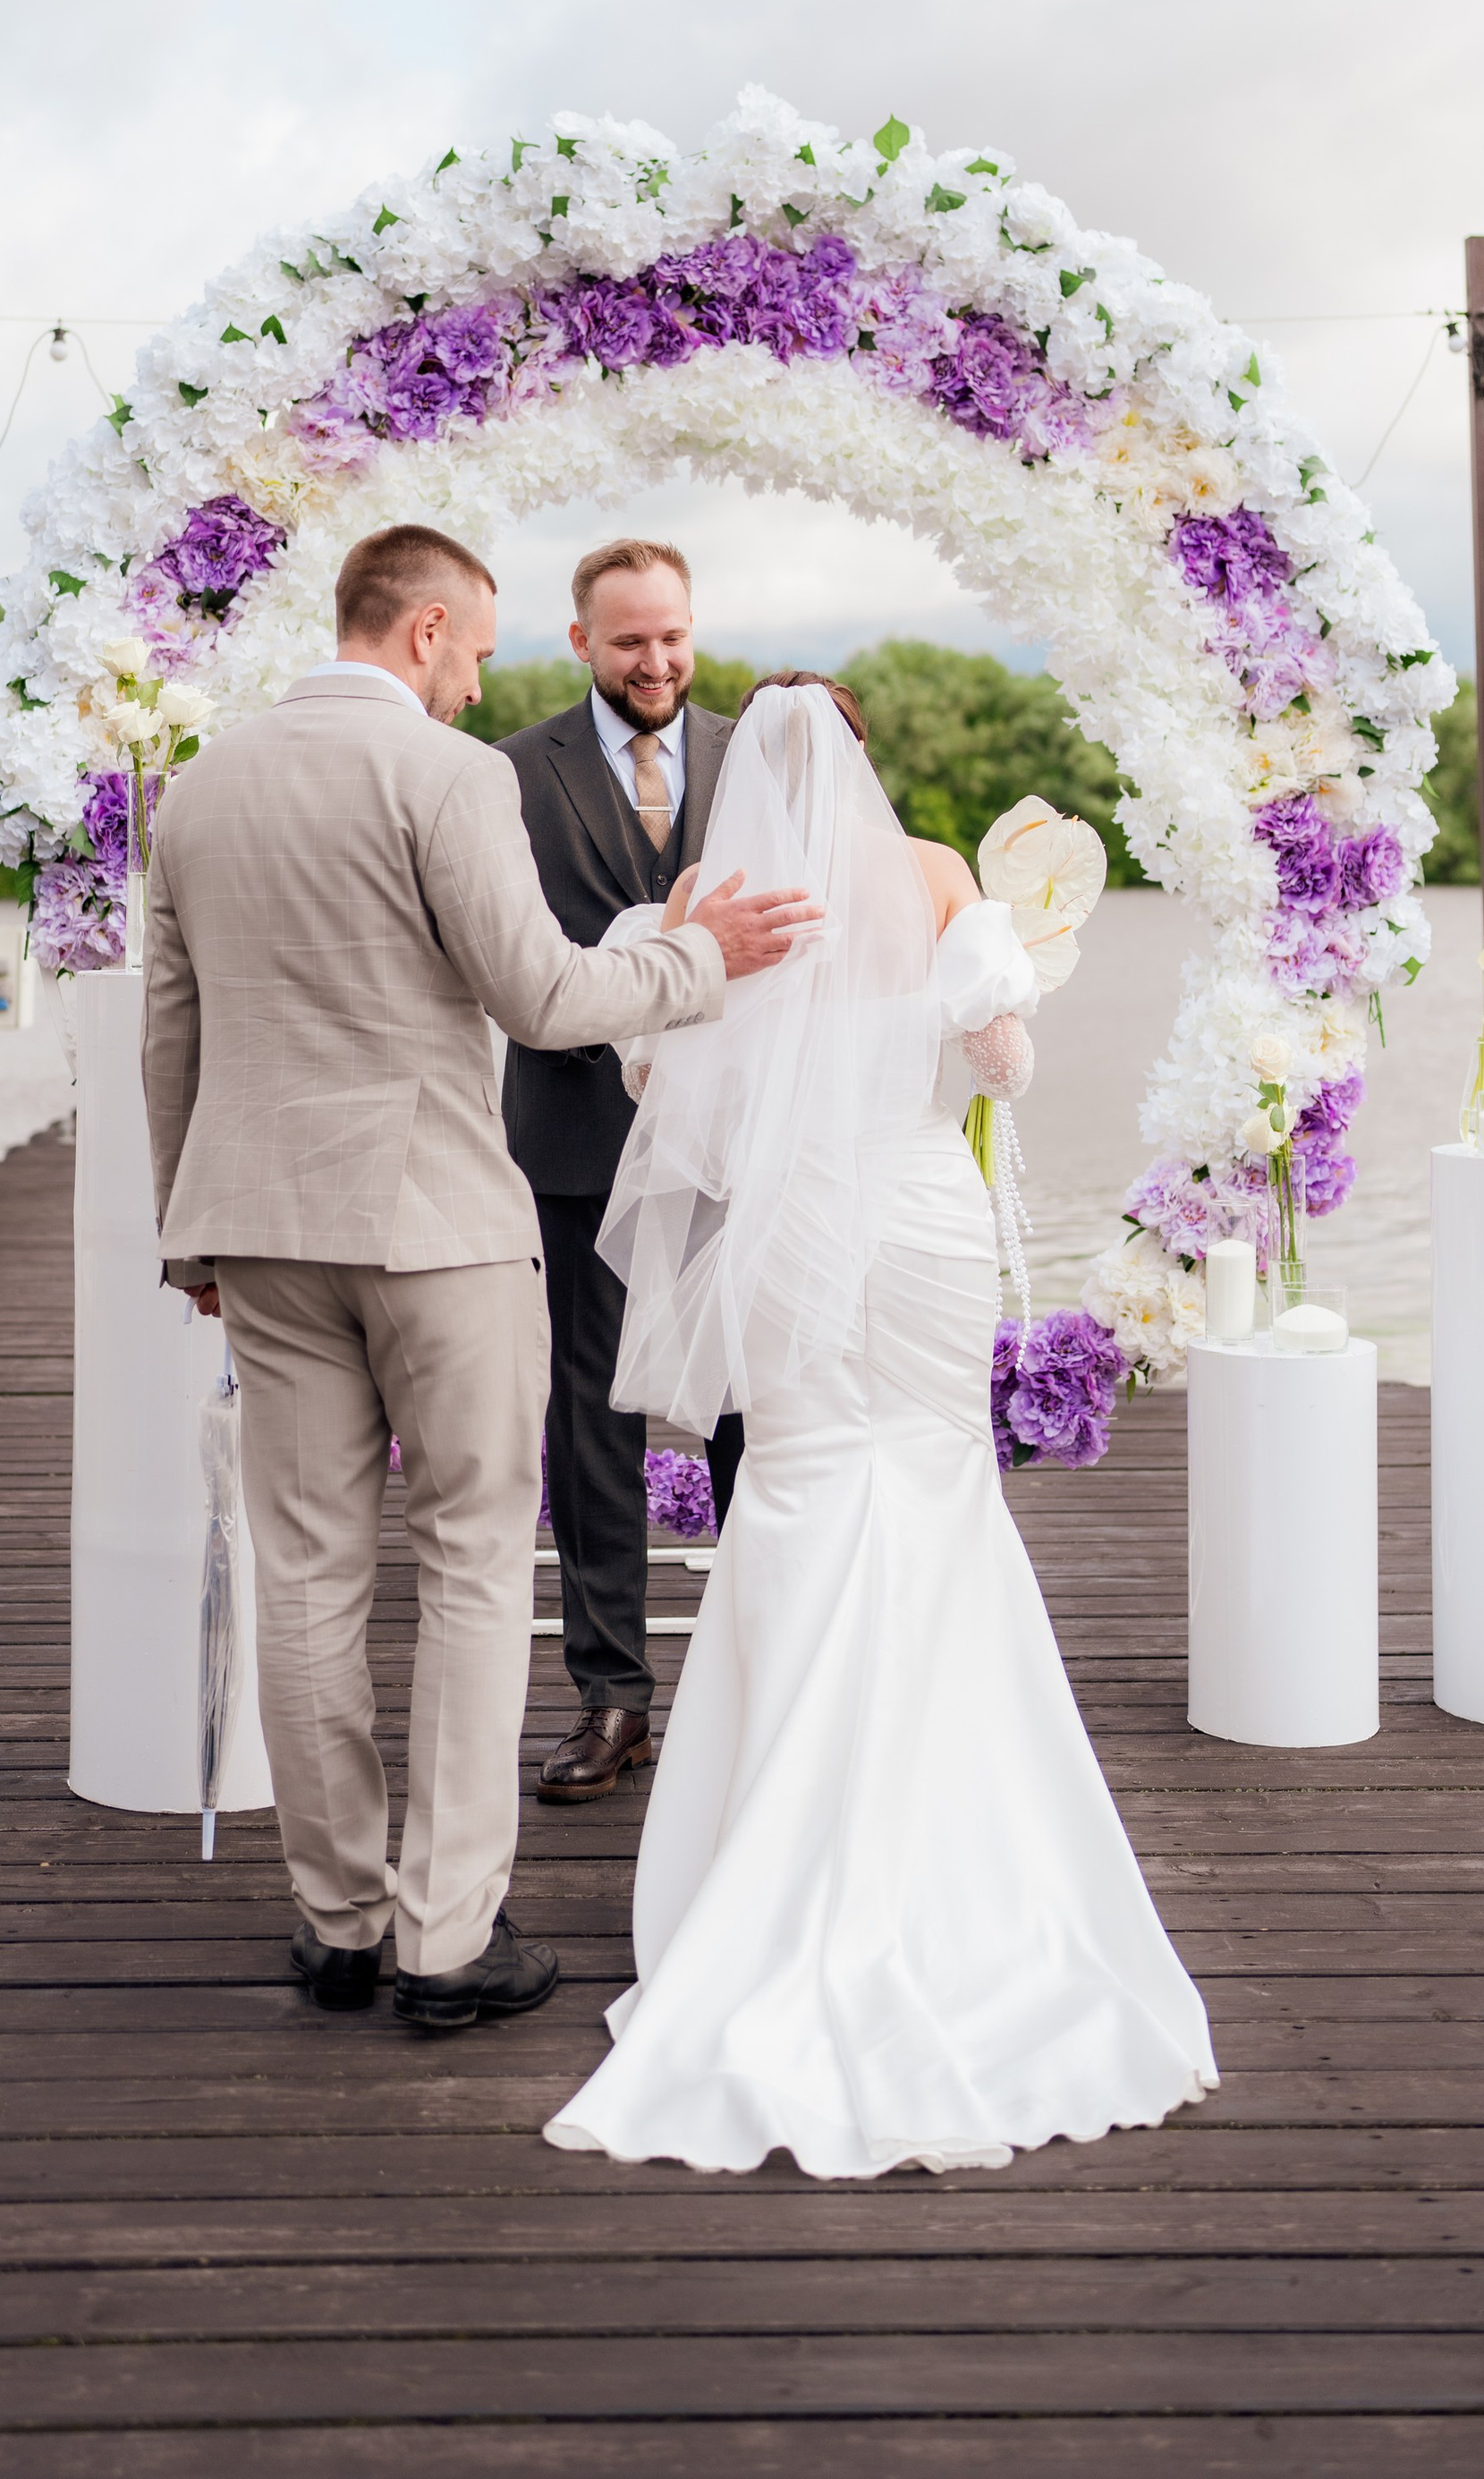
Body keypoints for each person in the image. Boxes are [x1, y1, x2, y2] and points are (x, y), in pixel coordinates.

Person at [140, 523, 818, 2034]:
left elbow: (169, 1028)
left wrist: (188, 1235)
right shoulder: (449, 777)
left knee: (306, 1573)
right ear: (428, 630)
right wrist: (706, 957)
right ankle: (447, 1938)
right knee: (468, 1562)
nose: (477, 687)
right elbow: (544, 995)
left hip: (258, 1228)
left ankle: (337, 1923)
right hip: (436, 1228)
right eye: (479, 654)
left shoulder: (201, 784)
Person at [543, 673, 1217, 2172]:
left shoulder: (706, 900)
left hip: (791, 1227)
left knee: (791, 1485)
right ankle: (951, 1841)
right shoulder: (932, 874)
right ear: (863, 759)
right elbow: (1004, 1066)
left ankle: (766, 1844)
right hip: (919, 1215)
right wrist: (1007, 974)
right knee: (937, 1486)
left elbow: (654, 1081)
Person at [501, 538, 745, 1806]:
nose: (656, 662)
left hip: (732, 1140)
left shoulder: (757, 758)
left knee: (747, 1401)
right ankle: (613, 1698)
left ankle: (764, 1679)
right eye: (630, 641)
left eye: (673, 637)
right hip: (575, 1132)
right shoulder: (508, 772)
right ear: (582, 641)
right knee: (590, 1413)